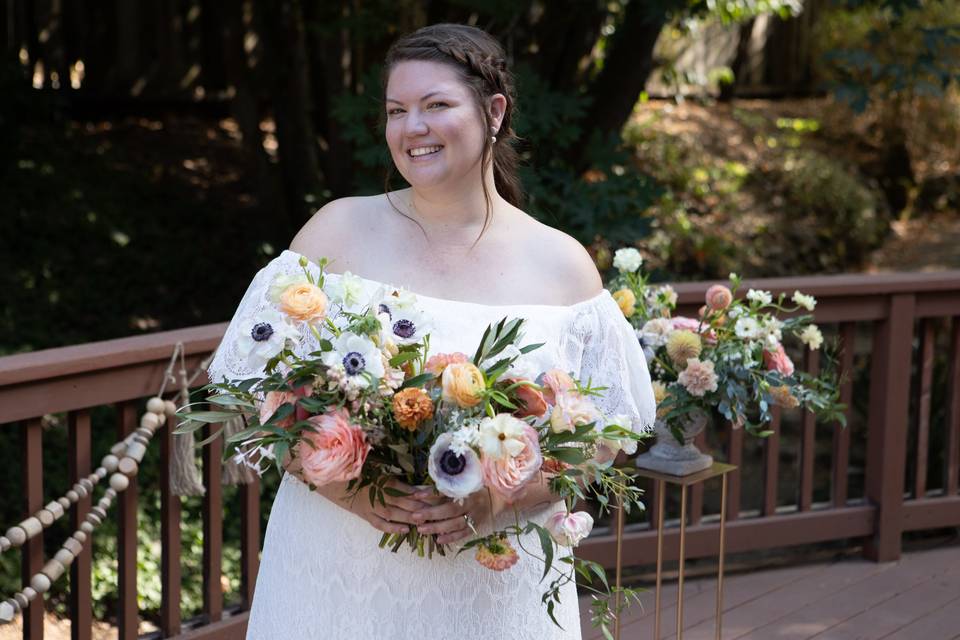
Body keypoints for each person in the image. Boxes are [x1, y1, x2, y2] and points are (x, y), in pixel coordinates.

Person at [208, 23, 655, 640]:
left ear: (493, 112)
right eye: (396, 110)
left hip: (489, 582)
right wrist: (358, 496)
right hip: (339, 570)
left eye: (435, 104)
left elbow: (600, 441)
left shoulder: (562, 266)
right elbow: (262, 401)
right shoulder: (335, 234)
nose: (411, 127)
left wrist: (500, 500)